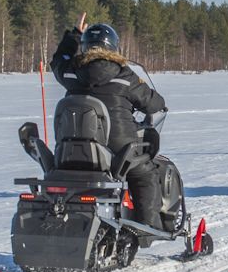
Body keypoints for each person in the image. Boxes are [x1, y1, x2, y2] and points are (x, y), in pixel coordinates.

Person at [50, 22, 168, 230]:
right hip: (117, 148)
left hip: (72, 148)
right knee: (144, 173)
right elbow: (154, 103)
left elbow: (59, 60)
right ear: (113, 47)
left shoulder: (72, 72)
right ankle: (149, 226)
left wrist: (74, 35)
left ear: (86, 46)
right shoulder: (124, 75)